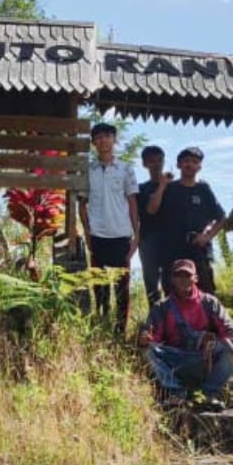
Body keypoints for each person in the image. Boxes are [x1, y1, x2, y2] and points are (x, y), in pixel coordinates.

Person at [140, 259, 233, 411]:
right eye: (178, 275)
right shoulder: (161, 307)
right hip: (174, 360)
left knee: (231, 350)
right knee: (148, 351)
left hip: (204, 359)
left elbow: (228, 328)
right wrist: (145, 340)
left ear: (195, 278)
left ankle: (207, 395)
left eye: (187, 275)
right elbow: (152, 337)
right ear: (172, 279)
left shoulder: (209, 302)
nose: (183, 279)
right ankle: (176, 393)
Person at [78, 122, 139, 336]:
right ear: (94, 143)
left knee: (122, 287)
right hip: (97, 236)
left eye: (107, 136)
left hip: (121, 235)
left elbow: (132, 203)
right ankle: (101, 323)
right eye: (98, 137)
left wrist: (136, 236)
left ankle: (120, 329)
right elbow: (81, 203)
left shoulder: (125, 169)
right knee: (99, 286)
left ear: (114, 140)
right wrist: (87, 232)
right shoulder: (89, 170)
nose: (103, 141)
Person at [149, 146, 226, 293]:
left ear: (199, 166)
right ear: (179, 164)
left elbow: (221, 217)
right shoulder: (169, 187)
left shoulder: (203, 188)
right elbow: (152, 210)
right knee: (171, 290)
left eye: (195, 162)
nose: (190, 164)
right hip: (171, 248)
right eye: (186, 161)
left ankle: (207, 316)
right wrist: (162, 185)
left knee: (205, 289)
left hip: (198, 248)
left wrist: (207, 236)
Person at [137, 145, 175, 306]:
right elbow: (151, 210)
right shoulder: (141, 189)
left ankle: (174, 320)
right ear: (145, 164)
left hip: (171, 239)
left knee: (171, 281)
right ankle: (155, 320)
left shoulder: (175, 187)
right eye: (151, 161)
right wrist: (162, 185)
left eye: (159, 160)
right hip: (148, 240)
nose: (156, 164)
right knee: (151, 283)